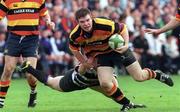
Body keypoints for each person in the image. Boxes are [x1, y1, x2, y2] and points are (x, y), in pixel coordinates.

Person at [69, 8, 174, 111]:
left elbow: (123, 28)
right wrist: (84, 63)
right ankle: (127, 103)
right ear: (77, 22)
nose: (86, 24)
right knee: (105, 83)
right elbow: (74, 49)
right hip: (102, 55)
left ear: (91, 17)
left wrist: (126, 44)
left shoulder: (104, 24)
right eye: (82, 22)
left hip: (118, 49)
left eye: (88, 20)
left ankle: (157, 74)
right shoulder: (75, 35)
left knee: (139, 77)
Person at [17, 61, 146, 112]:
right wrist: (85, 65)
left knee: (113, 90)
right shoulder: (86, 55)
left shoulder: (105, 55)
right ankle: (28, 68)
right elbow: (79, 69)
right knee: (51, 82)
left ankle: (128, 104)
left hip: (96, 82)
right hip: (78, 81)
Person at [0, 0, 55, 108]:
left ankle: (33, 91)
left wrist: (49, 21)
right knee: (8, 69)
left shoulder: (39, 0)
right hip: (13, 38)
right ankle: (1, 100)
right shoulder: (6, 0)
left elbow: (45, 13)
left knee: (30, 74)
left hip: (31, 39)